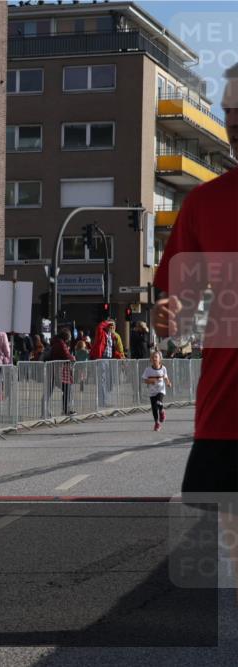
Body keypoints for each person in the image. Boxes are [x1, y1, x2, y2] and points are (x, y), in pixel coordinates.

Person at [154, 61, 237, 499]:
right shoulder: (205, 203)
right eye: (230, 112)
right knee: (217, 537)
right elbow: (179, 302)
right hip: (225, 418)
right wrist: (168, 313)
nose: (234, 121)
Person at [142, 350, 171, 432]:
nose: (154, 359)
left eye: (156, 357)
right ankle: (157, 423)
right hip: (152, 392)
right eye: (152, 357)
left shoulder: (163, 368)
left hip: (161, 390)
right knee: (154, 408)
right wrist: (150, 381)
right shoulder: (148, 370)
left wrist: (168, 383)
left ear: (160, 359)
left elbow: (166, 378)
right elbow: (145, 380)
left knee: (158, 402)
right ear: (150, 359)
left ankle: (161, 411)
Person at [49, 328, 76, 416]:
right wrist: (72, 358)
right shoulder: (61, 343)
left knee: (49, 391)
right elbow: (66, 355)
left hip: (54, 369)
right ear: (66, 336)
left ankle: (45, 411)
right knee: (67, 389)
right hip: (59, 370)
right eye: (69, 337)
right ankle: (66, 410)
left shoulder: (56, 342)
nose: (69, 339)